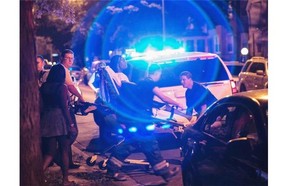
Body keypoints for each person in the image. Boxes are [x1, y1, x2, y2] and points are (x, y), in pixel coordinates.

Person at [105, 64, 183, 182]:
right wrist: (178, 104)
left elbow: (142, 100)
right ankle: (164, 173)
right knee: (150, 144)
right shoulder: (150, 83)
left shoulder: (140, 83)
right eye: (159, 75)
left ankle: (112, 169)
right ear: (157, 73)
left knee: (130, 144)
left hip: (133, 119)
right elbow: (163, 97)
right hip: (140, 121)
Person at [40, 64, 75, 186]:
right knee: (64, 150)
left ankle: (38, 175)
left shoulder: (44, 86)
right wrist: (70, 123)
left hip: (46, 119)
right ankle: (65, 180)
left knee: (49, 152)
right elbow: (64, 107)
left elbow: (41, 105)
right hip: (59, 119)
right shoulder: (62, 87)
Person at [53, 49, 84, 169]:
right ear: (62, 58)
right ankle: (56, 154)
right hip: (64, 105)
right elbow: (70, 87)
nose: (71, 61)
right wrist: (80, 97)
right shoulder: (61, 70)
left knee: (68, 134)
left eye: (72, 58)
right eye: (68, 58)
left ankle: (68, 162)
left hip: (67, 104)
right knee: (73, 132)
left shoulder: (65, 70)